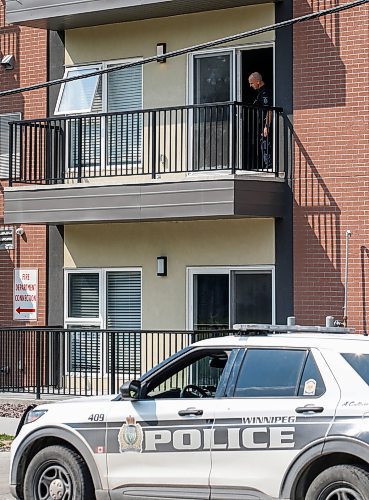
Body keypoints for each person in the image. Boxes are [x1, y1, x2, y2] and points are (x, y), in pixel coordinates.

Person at [248, 72, 273, 170]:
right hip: (261, 124)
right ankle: (266, 164)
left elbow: (269, 110)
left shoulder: (265, 93)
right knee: (263, 144)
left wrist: (267, 126)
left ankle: (269, 166)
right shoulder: (260, 93)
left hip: (265, 124)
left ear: (258, 82)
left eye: (251, 83)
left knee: (266, 145)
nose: (250, 86)